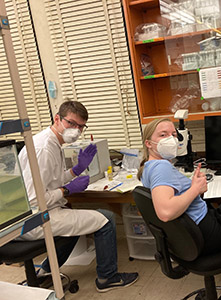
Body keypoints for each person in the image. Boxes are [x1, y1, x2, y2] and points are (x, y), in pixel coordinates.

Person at [18, 100, 138, 292]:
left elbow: (53, 180)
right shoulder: (43, 149)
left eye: (81, 126)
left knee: (79, 224)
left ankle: (46, 273)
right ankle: (108, 278)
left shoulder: (53, 142)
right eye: (71, 123)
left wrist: (76, 169)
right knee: (106, 219)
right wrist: (67, 190)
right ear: (57, 118)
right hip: (34, 219)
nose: (76, 130)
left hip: (45, 211)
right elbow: (33, 199)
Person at [137, 118, 221, 255]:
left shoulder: (147, 167)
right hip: (209, 234)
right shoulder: (161, 167)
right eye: (163, 135)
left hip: (194, 236)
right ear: (148, 143)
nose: (171, 139)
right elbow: (166, 213)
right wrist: (195, 189)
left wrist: (197, 190)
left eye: (173, 134)